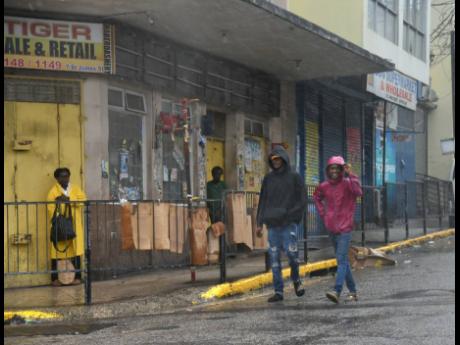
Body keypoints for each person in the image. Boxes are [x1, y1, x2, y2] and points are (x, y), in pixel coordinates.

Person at [256, 145, 307, 302]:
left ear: (284, 158)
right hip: (272, 225)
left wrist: (291, 215)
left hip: (288, 224)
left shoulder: (295, 177)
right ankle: (279, 291)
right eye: (273, 159)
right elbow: (262, 200)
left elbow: (302, 199)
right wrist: (259, 222)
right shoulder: (268, 179)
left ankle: (296, 280)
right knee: (274, 259)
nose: (276, 161)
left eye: (278, 159)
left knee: (292, 255)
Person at [313, 156, 362, 304]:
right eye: (331, 168)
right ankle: (353, 291)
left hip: (345, 228)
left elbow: (358, 192)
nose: (334, 171)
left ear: (341, 170)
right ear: (328, 170)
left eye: (337, 168)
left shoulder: (348, 184)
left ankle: (337, 290)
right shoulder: (324, 186)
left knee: (341, 260)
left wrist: (351, 174)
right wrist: (324, 214)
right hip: (332, 227)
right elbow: (316, 197)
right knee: (344, 261)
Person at [47, 168, 87, 286]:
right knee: (57, 251)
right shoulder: (53, 191)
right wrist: (59, 203)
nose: (65, 179)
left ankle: (77, 277)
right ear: (57, 178)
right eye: (62, 177)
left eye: (67, 176)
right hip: (60, 226)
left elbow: (83, 201)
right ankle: (55, 279)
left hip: (74, 223)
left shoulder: (75, 189)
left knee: (76, 251)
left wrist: (69, 200)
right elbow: (50, 209)